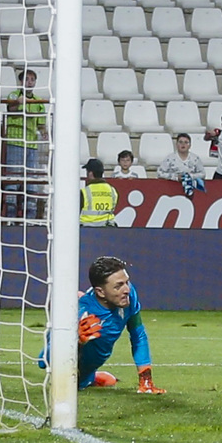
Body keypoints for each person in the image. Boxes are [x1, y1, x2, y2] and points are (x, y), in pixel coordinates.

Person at [38, 256, 164, 393]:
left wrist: (146, 380)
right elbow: (42, 361)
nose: (126, 289)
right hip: (70, 379)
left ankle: (92, 378)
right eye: (118, 286)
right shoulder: (83, 314)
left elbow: (138, 334)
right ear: (100, 292)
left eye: (126, 282)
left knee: (109, 380)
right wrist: (73, 338)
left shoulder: (128, 295)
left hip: (90, 369)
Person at [2, 68, 47, 220]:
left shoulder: (39, 102)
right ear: (20, 82)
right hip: (15, 143)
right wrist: (17, 103)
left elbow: (41, 123)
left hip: (32, 145)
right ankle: (10, 215)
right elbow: (11, 108)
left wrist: (44, 131)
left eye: (32, 80)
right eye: (26, 79)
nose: (29, 82)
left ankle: (30, 217)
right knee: (13, 179)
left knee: (31, 181)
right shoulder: (14, 95)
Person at [79, 158, 117, 228]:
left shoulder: (85, 192)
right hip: (108, 229)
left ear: (90, 173)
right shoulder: (112, 190)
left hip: (87, 230)